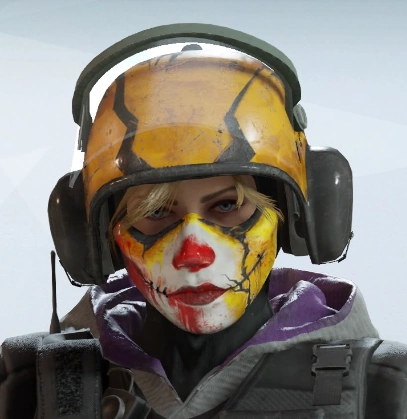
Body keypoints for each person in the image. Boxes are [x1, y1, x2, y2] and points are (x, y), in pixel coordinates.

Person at [1, 23, 406, 419]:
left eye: (228, 205)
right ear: (96, 239)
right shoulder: (28, 388)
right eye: (156, 212)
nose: (193, 253)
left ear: (297, 216)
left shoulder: (385, 389)